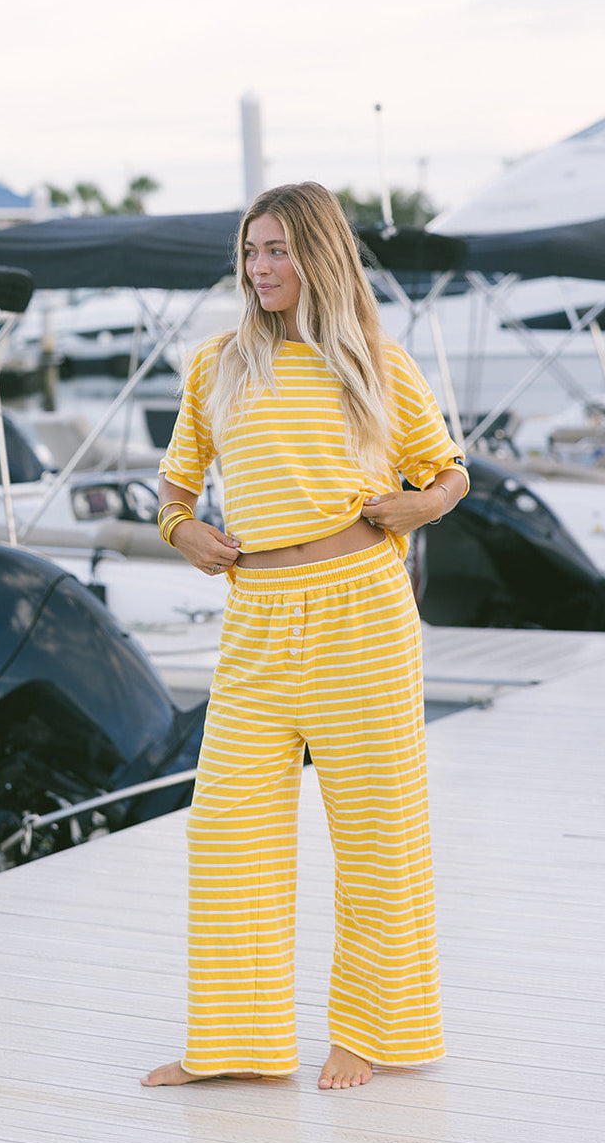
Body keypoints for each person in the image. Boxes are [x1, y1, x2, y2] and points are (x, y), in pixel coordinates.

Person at [141, 181, 467, 1092]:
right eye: (250, 252)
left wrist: (420, 503)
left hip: (361, 605)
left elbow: (448, 473)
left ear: (318, 254)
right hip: (255, 617)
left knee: (379, 839)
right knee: (229, 840)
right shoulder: (217, 365)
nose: (261, 268)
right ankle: (235, 1047)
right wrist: (183, 531)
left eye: (278, 250)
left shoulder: (375, 360)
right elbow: (174, 487)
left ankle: (368, 1034)